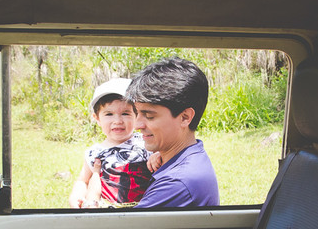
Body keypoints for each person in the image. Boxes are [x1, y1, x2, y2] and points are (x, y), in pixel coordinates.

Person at [128, 57, 220, 208]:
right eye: (136, 113)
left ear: (185, 117)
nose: (137, 125)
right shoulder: (187, 157)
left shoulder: (177, 183)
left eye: (149, 116)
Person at [68, 77, 154, 208]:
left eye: (125, 113)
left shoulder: (146, 141)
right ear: (97, 118)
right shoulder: (94, 153)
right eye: (109, 114)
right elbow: (83, 181)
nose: (118, 120)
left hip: (144, 209)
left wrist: (157, 157)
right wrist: (76, 196)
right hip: (109, 213)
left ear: (137, 115)